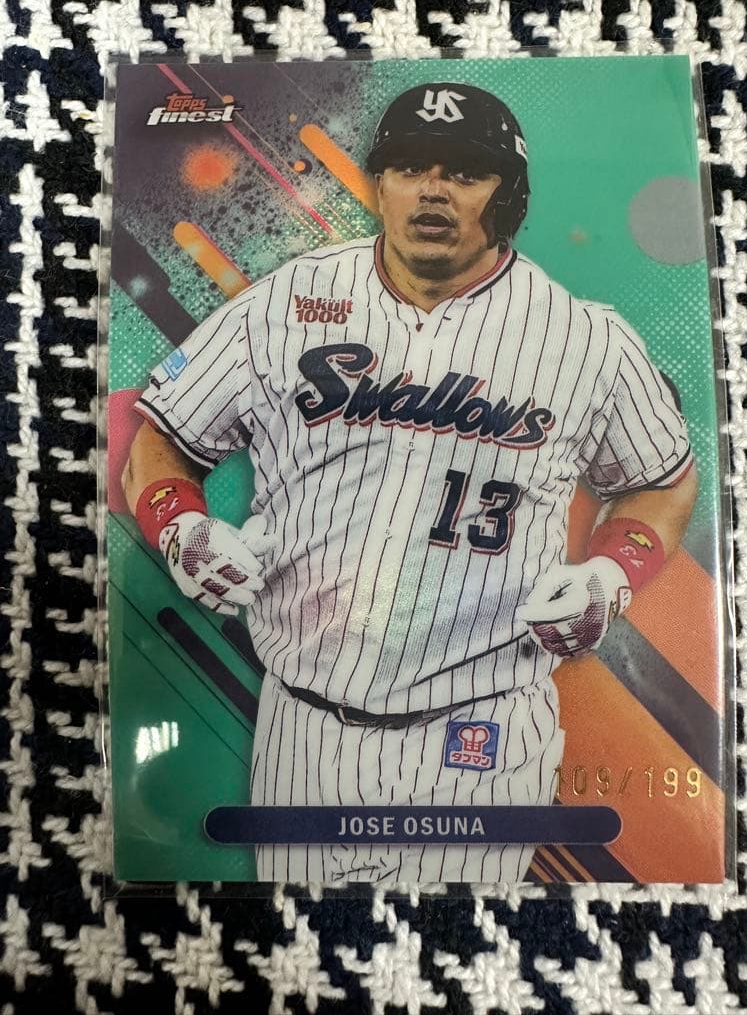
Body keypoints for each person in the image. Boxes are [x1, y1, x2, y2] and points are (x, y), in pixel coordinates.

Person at [121, 82, 698, 883]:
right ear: (380, 183)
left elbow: (661, 480)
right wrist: (181, 527)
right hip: (305, 726)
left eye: (464, 171)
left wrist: (611, 573)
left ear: (509, 195)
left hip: (485, 728)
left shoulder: (586, 338)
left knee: (468, 945)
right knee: (304, 946)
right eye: (409, 167)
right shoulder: (286, 303)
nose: (432, 189)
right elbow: (161, 441)